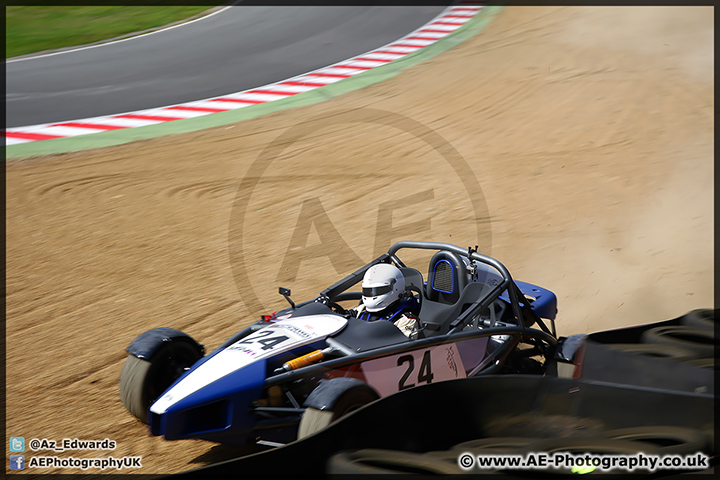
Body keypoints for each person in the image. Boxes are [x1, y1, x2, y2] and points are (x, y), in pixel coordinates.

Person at [350, 263, 420, 338]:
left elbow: (402, 347)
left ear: (396, 288)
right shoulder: (361, 310)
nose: (372, 294)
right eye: (369, 290)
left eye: (377, 290)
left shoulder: (405, 320)